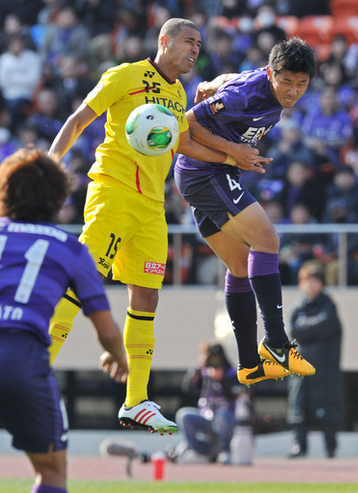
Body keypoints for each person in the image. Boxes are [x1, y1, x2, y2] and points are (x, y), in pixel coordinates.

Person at [47, 18, 235, 435]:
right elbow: (80, 118)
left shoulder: (176, 92)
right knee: (82, 281)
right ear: (164, 40)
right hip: (114, 194)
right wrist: (48, 167)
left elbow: (183, 142)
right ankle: (34, 369)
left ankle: (136, 400)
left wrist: (231, 157)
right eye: (189, 42)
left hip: (152, 207)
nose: (195, 51)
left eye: (199, 46)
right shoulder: (124, 75)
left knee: (147, 297)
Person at [0, 147, 128, 493]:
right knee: (51, 474)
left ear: (1, 192)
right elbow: (104, 328)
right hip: (21, 356)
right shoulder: (70, 247)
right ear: (59, 197)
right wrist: (118, 357)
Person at [174, 37, 317, 386]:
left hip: (213, 173)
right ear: (271, 73)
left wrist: (211, 83)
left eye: (301, 84)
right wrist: (235, 150)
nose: (292, 91)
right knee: (267, 238)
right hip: (205, 172)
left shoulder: (255, 84)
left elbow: (231, 79)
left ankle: (250, 363)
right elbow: (187, 122)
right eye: (286, 82)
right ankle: (278, 343)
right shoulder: (247, 95)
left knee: (239, 266)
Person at [287, 264, 342, 458]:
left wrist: (306, 330)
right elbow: (293, 331)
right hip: (301, 368)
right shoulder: (297, 308)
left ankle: (330, 447)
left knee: (328, 407)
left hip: (324, 369)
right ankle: (299, 446)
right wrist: (309, 331)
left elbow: (324, 325)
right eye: (306, 280)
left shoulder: (328, 305)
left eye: (314, 280)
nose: (310, 284)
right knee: (298, 406)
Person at [171, 342, 242, 464]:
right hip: (206, 417)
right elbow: (188, 389)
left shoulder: (231, 373)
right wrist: (198, 368)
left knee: (222, 416)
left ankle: (225, 451)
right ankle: (198, 451)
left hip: (227, 420)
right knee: (184, 415)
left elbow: (235, 394)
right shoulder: (204, 374)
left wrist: (222, 379)